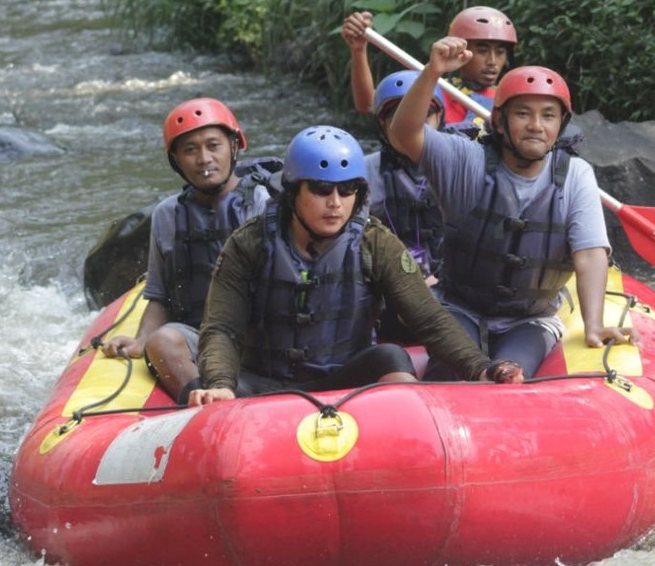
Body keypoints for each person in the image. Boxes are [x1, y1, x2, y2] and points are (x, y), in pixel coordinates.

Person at [188, 125, 524, 406]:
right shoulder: (248, 243)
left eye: (347, 190)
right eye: (321, 189)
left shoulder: (374, 241)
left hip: (346, 379)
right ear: (292, 193)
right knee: (206, 387)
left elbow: (428, 319)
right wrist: (219, 383)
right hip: (265, 382)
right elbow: (222, 327)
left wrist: (482, 368)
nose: (335, 203)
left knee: (392, 356)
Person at [388, 39, 635, 378]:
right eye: (523, 114)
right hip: (459, 306)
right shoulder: (465, 160)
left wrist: (594, 324)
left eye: (548, 116)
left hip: (530, 318)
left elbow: (590, 254)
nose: (536, 125)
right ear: (500, 122)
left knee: (512, 373)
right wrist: (432, 72)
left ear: (560, 125)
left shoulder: (575, 175)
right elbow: (403, 134)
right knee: (447, 372)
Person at [101, 98, 276, 405]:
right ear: (176, 160)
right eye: (190, 150)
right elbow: (159, 293)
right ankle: (201, 403)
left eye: (213, 146)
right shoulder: (168, 215)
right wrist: (142, 340)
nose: (204, 158)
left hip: (261, 336)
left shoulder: (262, 202)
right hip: (199, 338)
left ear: (234, 147)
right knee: (162, 340)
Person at [342, 6, 517, 125]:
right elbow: (366, 104)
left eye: (500, 53)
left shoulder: (511, 100)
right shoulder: (434, 90)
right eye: (482, 51)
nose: (492, 61)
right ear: (461, 49)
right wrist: (359, 51)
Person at [366, 70, 447, 285]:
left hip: (455, 286)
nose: (412, 126)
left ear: (439, 117)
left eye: (424, 115)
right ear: (382, 124)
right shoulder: (362, 174)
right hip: (393, 285)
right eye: (399, 117)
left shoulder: (465, 165)